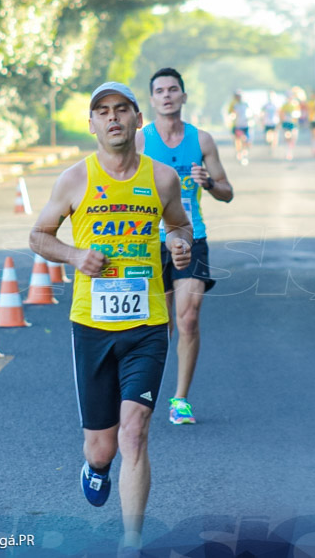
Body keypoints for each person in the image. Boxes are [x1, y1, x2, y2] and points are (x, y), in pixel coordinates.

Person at [29, 81, 192, 551]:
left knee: (135, 431)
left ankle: (131, 540)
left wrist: (178, 243)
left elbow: (179, 223)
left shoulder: (161, 178)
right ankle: (96, 467)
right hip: (92, 325)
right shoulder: (75, 179)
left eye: (122, 109)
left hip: (146, 325)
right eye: (103, 111)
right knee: (103, 447)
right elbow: (39, 236)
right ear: (93, 124)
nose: (113, 117)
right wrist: (75, 255)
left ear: (138, 119)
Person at [137, 67, 233, 426]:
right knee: (160, 325)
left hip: (191, 237)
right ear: (151, 100)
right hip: (147, 243)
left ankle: (180, 399)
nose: (166, 95)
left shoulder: (202, 140)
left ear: (183, 96)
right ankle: (145, 395)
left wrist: (208, 183)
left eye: (173, 89)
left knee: (188, 319)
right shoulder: (140, 141)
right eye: (159, 90)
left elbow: (228, 192)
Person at [280, 87, 305, 161]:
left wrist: (296, 115)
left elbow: (299, 113)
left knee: (293, 138)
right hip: (286, 123)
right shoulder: (284, 105)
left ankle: (290, 150)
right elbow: (281, 114)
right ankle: (288, 152)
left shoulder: (295, 104)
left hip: (293, 123)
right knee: (287, 137)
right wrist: (282, 120)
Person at [229, 91, 251, 165]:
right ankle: (239, 153)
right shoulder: (234, 105)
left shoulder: (246, 104)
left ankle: (243, 152)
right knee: (239, 139)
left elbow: (250, 113)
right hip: (237, 126)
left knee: (246, 141)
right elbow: (231, 114)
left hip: (245, 125)